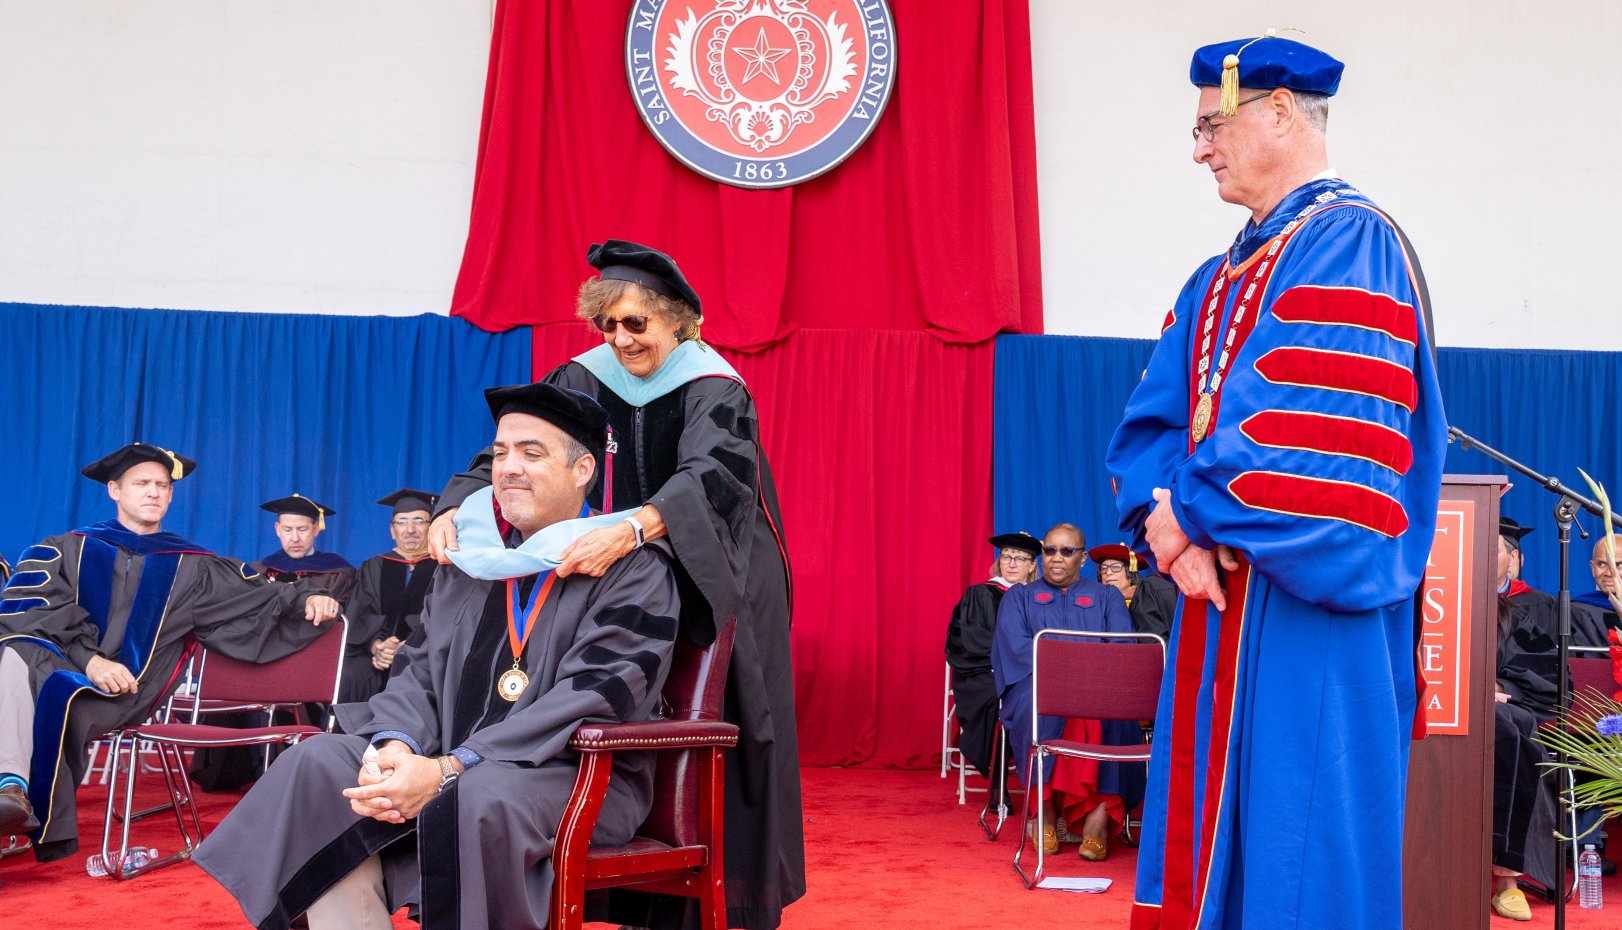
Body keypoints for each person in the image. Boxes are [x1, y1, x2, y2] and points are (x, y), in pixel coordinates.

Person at [1104, 33, 1447, 929]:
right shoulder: (1218, 276)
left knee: (1305, 861)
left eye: (1212, 124)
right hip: (1217, 599)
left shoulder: (1351, 243)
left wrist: (1188, 520)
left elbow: (1305, 443)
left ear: (1282, 113)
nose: (1199, 148)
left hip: (1307, 610)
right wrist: (1163, 526)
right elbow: (1148, 427)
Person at [194, 383, 682, 930]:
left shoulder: (629, 567)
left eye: (532, 453)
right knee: (322, 767)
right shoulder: (472, 562)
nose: (509, 468)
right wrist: (395, 746)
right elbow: (418, 667)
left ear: (584, 469)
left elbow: (599, 691)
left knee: (475, 797)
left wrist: (450, 769)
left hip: (572, 775)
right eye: (500, 453)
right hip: (442, 756)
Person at [427, 240, 802, 930]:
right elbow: (520, 443)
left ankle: (714, 900)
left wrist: (634, 531)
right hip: (611, 572)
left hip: (713, 574)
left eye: (637, 324)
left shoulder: (714, 386)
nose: (621, 340)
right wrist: (458, 501)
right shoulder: (584, 374)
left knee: (717, 719)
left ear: (678, 322)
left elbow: (711, 480)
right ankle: (603, 883)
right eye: (608, 325)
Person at [0, 443, 340, 860]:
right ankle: (10, 790)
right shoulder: (68, 549)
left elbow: (261, 595)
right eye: (141, 483)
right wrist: (90, 660)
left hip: (124, 692)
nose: (153, 492)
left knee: (47, 690)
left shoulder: (192, 565)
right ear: (114, 490)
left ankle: (12, 793)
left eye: (162, 484)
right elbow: (26, 612)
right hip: (61, 668)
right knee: (15, 654)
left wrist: (309, 596)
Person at [991, 524, 1143, 862]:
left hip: (1098, 686)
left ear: (1083, 558)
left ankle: (1098, 820)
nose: (1056, 558)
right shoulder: (1019, 597)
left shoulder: (1107, 597)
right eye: (1050, 551)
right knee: (1036, 704)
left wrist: (1085, 679)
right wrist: (1066, 677)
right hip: (1038, 684)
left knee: (1113, 709)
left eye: (1067, 551)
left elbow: (1121, 647)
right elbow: (1016, 649)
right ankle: (1042, 812)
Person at [945, 531, 1040, 794]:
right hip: (983, 670)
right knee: (1001, 698)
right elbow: (971, 640)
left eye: (1020, 558)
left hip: (1029, 672)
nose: (1011, 563)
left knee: (1039, 697)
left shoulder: (1038, 598)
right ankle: (998, 785)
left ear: (1032, 565)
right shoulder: (980, 594)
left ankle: (1045, 788)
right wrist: (1007, 664)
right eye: (1007, 556)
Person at [1488, 593, 1564, 920]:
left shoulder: (1510, 613)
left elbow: (1547, 679)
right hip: (1426, 700)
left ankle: (1506, 878)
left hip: (1495, 708)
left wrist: (1496, 685)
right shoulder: (1429, 599)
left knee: (1514, 725)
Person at [339, 489, 440, 702]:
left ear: (431, 527)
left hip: (425, 653)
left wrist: (408, 646)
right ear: (392, 530)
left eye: (419, 521)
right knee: (349, 674)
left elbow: (448, 617)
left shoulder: (444, 568)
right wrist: (376, 646)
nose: (410, 529)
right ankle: (349, 733)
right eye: (402, 522)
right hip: (375, 656)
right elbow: (360, 615)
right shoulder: (374, 566)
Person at [254, 495, 357, 604]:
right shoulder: (261, 570)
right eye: (287, 530)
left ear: (315, 529)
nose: (295, 538)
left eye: (302, 529)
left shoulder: (338, 571)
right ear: (278, 530)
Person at [1088, 542, 1177, 641]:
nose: (1108, 573)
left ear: (1130, 571)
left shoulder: (1152, 589)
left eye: (1116, 567)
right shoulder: (1098, 603)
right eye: (1103, 569)